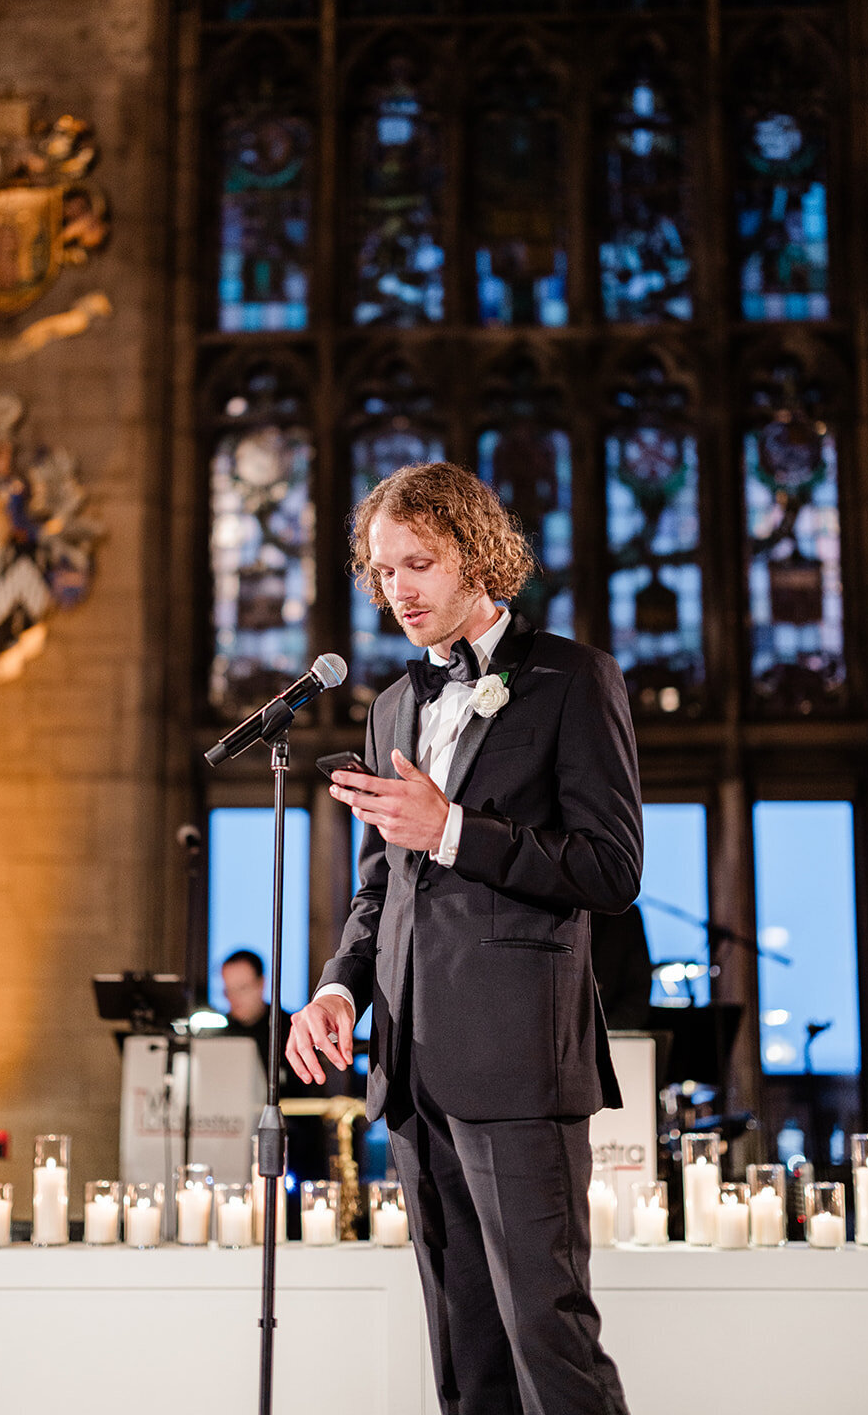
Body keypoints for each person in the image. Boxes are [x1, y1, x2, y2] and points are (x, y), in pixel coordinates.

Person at [287, 462, 642, 1415]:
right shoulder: (392, 706)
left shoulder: (574, 679)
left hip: (520, 1067)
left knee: (550, 1344)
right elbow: (383, 883)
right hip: (410, 1071)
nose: (396, 588)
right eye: (381, 569)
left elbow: (611, 871)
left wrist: (451, 828)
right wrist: (336, 990)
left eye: (419, 563)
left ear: (478, 557)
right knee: (463, 1356)